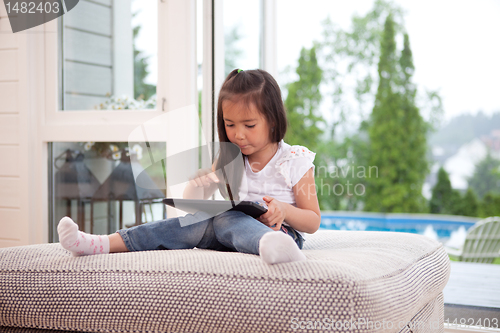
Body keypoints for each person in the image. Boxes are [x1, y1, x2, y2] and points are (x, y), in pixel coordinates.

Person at [57, 69, 321, 265]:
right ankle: (98, 243)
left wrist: (283, 210)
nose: (238, 135)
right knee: (192, 223)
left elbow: (313, 220)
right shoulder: (230, 157)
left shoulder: (293, 159)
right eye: (230, 125)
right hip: (229, 232)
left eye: (249, 125)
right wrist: (198, 184)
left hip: (279, 233)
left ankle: (276, 248)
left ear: (273, 121)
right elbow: (195, 206)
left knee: (228, 218)